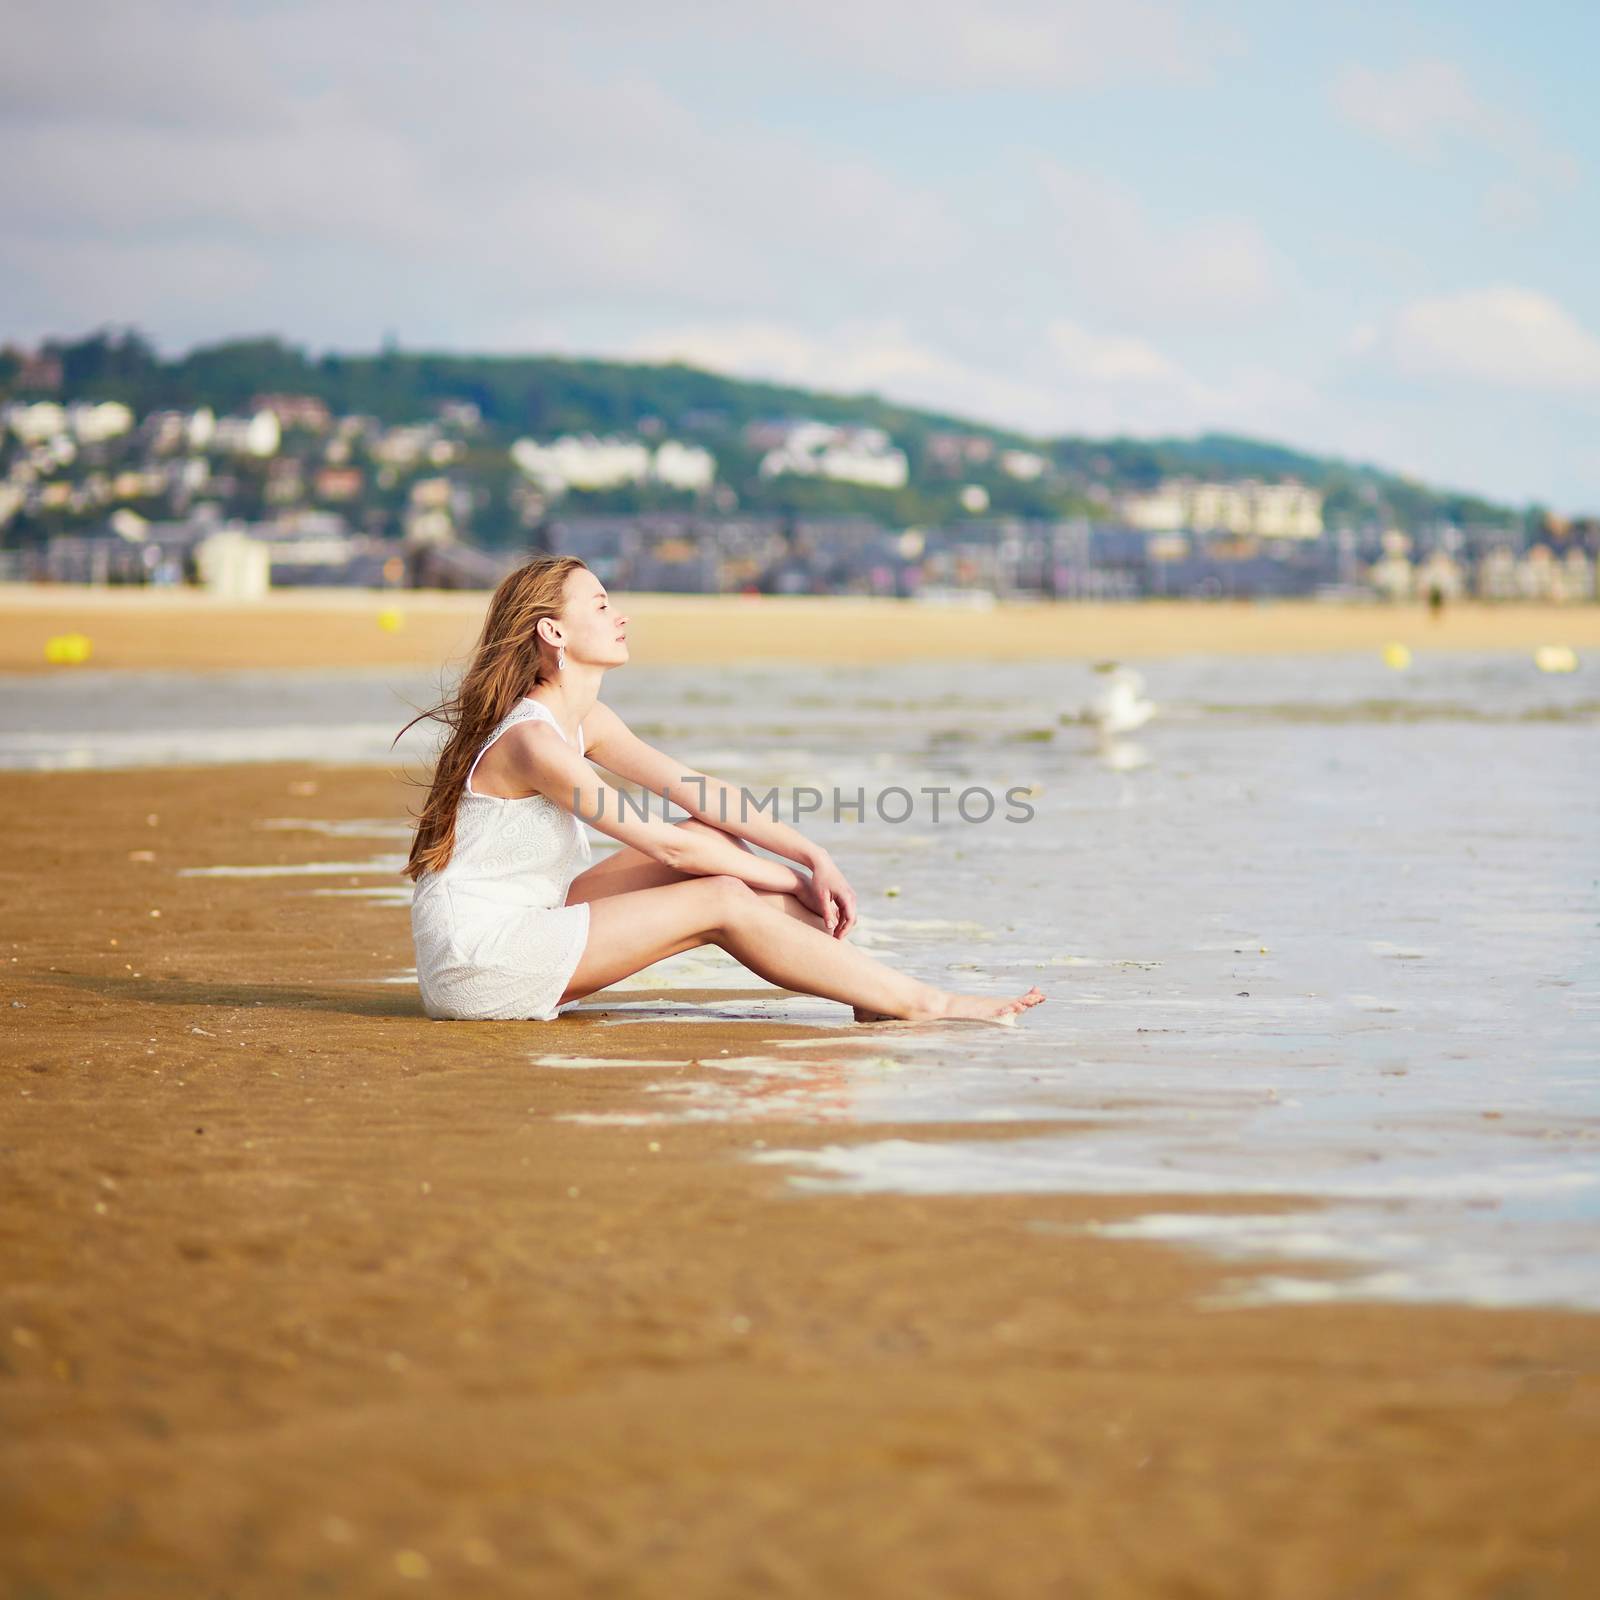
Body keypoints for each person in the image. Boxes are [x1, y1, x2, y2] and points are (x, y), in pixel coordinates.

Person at [400, 556, 1045, 1026]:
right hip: (480, 962)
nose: (620, 614)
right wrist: (784, 880)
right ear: (553, 632)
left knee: (708, 833)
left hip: (535, 913)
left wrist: (811, 854)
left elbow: (697, 793)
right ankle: (923, 1001)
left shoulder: (582, 721)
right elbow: (664, 851)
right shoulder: (533, 744)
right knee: (722, 896)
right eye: (599, 605)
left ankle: (871, 993)